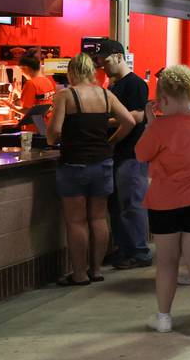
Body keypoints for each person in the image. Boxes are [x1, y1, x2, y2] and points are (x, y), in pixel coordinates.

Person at [134, 65, 190, 338]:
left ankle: (164, 318)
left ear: (165, 98)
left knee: (167, 262)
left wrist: (150, 124)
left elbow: (141, 154)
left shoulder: (159, 127)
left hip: (165, 201)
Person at [47, 53, 136, 286]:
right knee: (98, 218)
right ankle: (96, 270)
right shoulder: (106, 95)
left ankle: (79, 274)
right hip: (103, 163)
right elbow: (130, 121)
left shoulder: (66, 95)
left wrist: (49, 137)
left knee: (76, 221)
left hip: (74, 164)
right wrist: (111, 142)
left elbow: (55, 131)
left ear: (72, 72)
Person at [95, 39, 152, 269]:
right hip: (118, 154)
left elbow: (135, 117)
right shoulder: (113, 86)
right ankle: (124, 248)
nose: (103, 67)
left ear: (119, 56)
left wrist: (110, 136)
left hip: (132, 153)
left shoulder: (135, 84)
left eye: (105, 61)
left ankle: (139, 251)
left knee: (132, 203)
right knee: (116, 205)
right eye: (100, 64)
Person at [12, 51, 55, 135]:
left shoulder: (30, 83)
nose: (21, 72)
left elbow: (27, 111)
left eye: (21, 70)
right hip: (46, 123)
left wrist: (9, 106)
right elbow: (40, 100)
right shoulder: (47, 81)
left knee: (32, 146)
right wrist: (19, 91)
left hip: (34, 127)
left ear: (26, 68)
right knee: (43, 144)